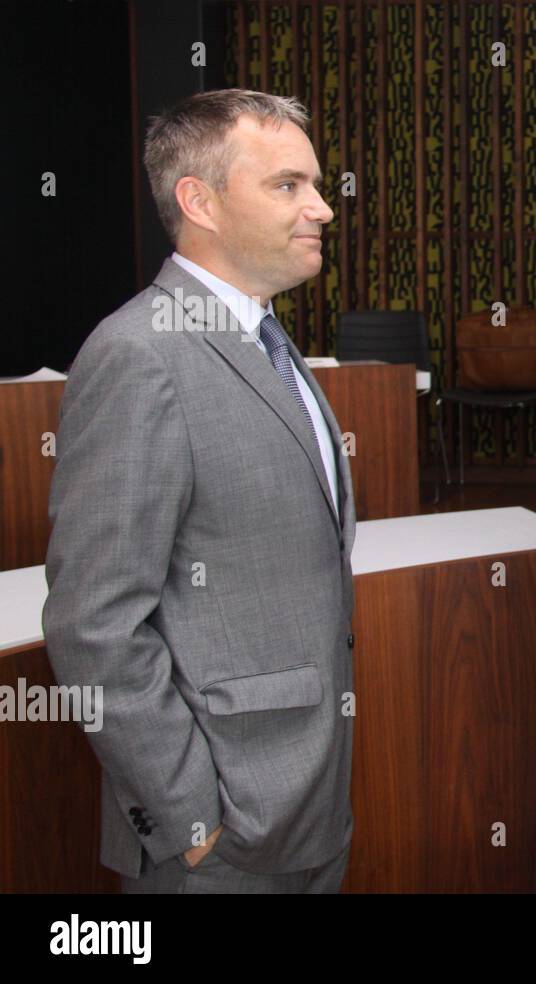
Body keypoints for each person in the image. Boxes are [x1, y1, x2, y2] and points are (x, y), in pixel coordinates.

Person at [43, 88, 357, 893]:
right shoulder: (139, 356)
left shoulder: (267, 340)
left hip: (307, 808)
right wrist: (190, 820)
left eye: (316, 185)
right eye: (288, 185)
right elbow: (95, 626)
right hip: (220, 840)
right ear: (199, 200)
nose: (322, 206)